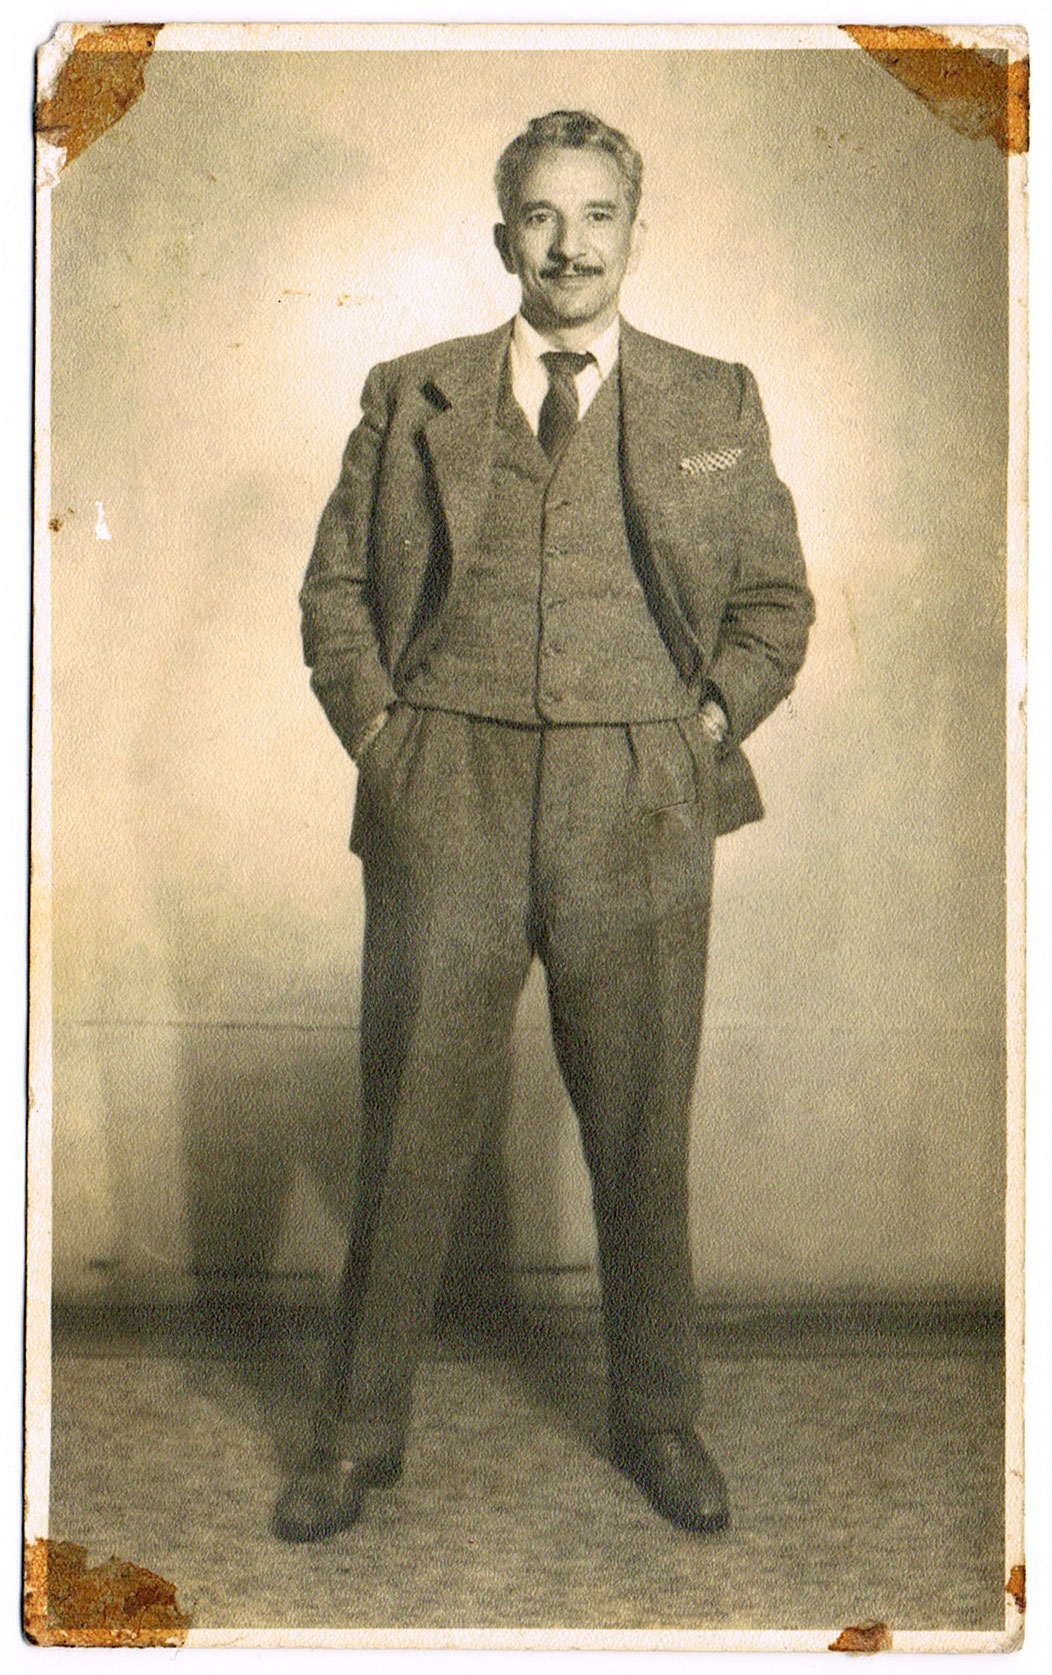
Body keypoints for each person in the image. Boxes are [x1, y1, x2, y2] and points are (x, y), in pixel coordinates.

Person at [276, 109, 813, 1543]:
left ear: (634, 232)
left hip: (637, 796)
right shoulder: (413, 393)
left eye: (597, 216)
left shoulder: (714, 399)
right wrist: (385, 740)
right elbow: (336, 591)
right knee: (409, 1119)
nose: (569, 247)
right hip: (446, 783)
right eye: (541, 216)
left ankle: (660, 1420)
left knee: (642, 1125)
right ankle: (356, 1436)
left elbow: (774, 606)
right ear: (502, 232)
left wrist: (700, 734)